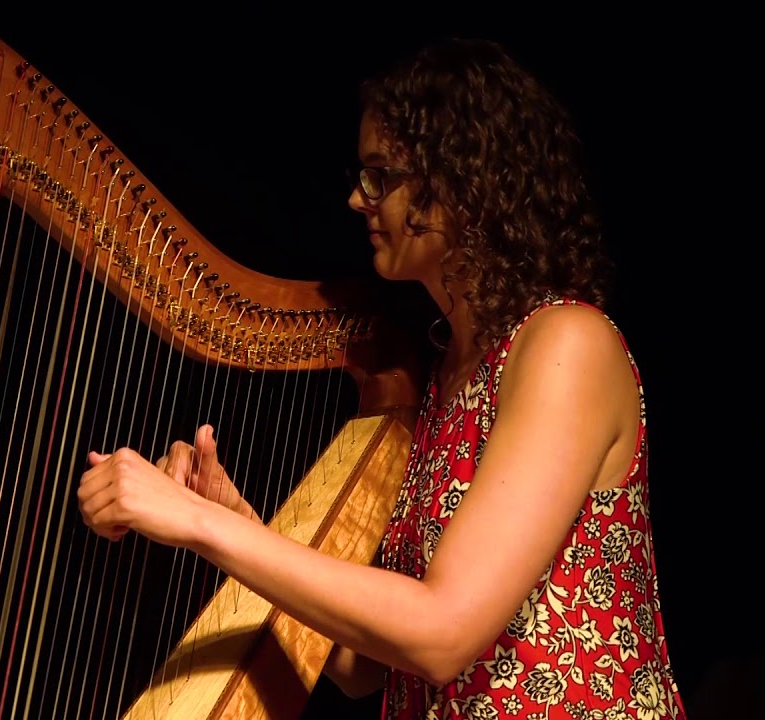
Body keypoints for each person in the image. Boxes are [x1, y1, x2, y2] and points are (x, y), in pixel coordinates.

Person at [77, 37, 686, 719]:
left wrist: (195, 524)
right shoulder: (448, 378)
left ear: (463, 182)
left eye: (380, 176)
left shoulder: (566, 343)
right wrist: (234, 520)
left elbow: (442, 633)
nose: (355, 200)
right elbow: (365, 667)